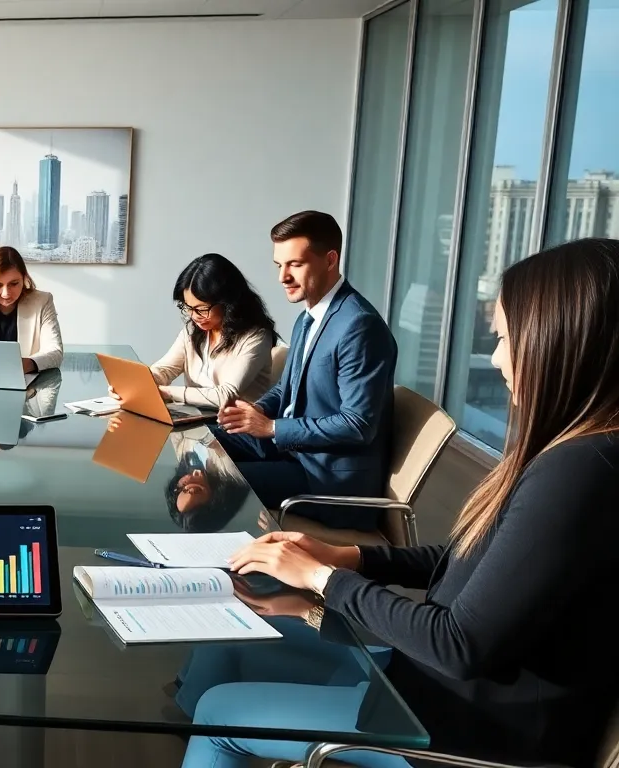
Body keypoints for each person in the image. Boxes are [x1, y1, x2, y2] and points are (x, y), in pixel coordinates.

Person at [187, 238, 619, 768]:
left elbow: (458, 645)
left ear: (562, 344)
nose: (496, 356)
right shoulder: (573, 455)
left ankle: (194, 736)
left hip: (463, 729)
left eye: (506, 338)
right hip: (426, 679)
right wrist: (346, 557)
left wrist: (323, 582)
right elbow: (471, 560)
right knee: (226, 631)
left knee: (218, 711)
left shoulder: (582, 471)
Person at [214, 211, 396, 531]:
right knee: (201, 444)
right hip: (295, 453)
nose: (282, 276)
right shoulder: (308, 317)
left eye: (295, 264)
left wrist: (272, 428)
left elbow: (358, 425)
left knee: (219, 479)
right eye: (278, 265)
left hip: (327, 480)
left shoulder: (359, 326)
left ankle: (220, 569)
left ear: (330, 260)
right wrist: (254, 411)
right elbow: (287, 388)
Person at [145, 253, 278, 409]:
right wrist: (139, 385)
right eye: (188, 307)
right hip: (198, 418)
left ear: (228, 303)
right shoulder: (192, 330)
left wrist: (167, 393)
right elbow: (165, 369)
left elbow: (226, 395)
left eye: (202, 309)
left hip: (237, 426)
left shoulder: (256, 336)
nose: (194, 316)